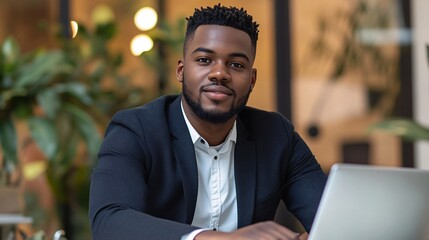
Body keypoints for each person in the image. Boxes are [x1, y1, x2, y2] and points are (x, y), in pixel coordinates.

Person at [89, 4, 327, 240]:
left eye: (236, 65)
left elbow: (330, 218)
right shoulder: (136, 130)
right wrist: (216, 238)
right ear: (181, 70)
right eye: (204, 60)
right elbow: (110, 221)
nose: (219, 73)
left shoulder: (275, 136)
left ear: (252, 80)